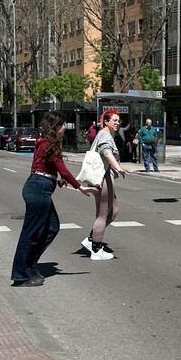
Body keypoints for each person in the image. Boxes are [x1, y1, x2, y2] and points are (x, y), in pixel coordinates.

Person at [11, 111, 98, 287]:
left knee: (52, 227)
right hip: (39, 189)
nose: (65, 127)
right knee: (31, 234)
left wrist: (55, 179)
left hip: (39, 186)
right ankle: (21, 275)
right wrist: (79, 187)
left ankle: (30, 265)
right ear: (56, 126)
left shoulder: (46, 143)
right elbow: (62, 169)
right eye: (63, 124)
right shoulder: (49, 143)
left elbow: (42, 166)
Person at [80, 109, 127, 260]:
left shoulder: (106, 134)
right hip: (103, 177)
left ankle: (91, 239)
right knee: (103, 213)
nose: (117, 123)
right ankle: (96, 249)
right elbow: (107, 152)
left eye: (118, 121)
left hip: (105, 176)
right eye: (114, 120)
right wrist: (118, 168)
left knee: (113, 211)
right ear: (106, 122)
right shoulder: (105, 135)